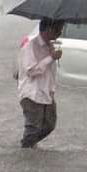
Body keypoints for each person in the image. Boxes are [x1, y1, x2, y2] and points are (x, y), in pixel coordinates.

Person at [17, 18, 64, 149]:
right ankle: (26, 151)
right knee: (33, 128)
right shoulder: (30, 47)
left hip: (46, 93)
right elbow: (31, 71)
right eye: (58, 31)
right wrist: (51, 58)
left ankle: (29, 146)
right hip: (32, 94)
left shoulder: (50, 46)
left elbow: (50, 72)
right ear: (48, 29)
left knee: (50, 125)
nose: (59, 34)